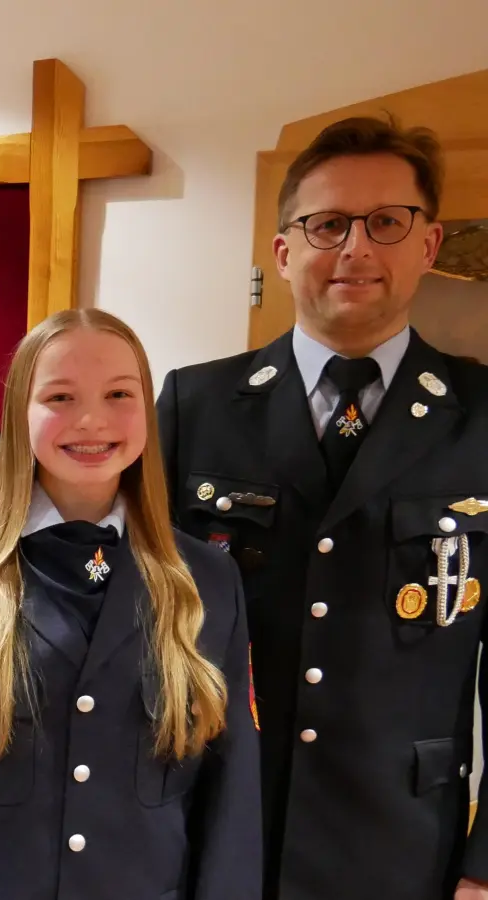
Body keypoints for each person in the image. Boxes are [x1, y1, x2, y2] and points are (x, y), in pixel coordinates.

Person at [156, 116, 488, 900]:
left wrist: (485, 864)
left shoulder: (481, 414)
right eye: (328, 224)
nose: (356, 249)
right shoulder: (193, 404)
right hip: (220, 824)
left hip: (405, 845)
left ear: (429, 245)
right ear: (282, 252)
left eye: (386, 223)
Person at [0, 309, 260, 899]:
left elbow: (229, 801)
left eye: (119, 393)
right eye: (60, 396)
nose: (93, 419)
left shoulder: (207, 579)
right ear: (20, 414)